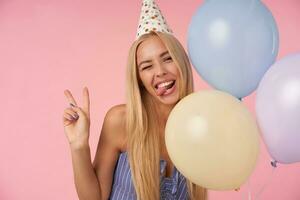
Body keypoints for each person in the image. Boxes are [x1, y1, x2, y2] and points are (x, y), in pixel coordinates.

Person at [63, 1, 207, 199]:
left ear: (181, 61)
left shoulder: (201, 127)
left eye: (167, 58)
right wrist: (78, 146)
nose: (160, 72)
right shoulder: (121, 120)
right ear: (139, 78)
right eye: (147, 66)